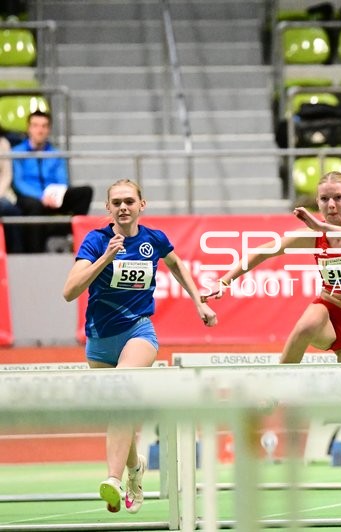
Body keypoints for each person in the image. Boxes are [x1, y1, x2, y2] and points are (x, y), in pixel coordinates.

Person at [210, 171, 341, 519]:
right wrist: (226, 279)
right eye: (324, 200)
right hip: (330, 313)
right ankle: (275, 389)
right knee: (307, 322)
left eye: (337, 198)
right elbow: (267, 250)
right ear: (317, 202)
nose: (331, 205)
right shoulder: (316, 236)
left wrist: (322, 228)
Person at [62, 179, 217, 514]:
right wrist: (105, 258)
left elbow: (176, 265)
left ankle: (113, 480)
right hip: (100, 341)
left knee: (121, 394)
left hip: (139, 332)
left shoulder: (153, 240)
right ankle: (135, 469)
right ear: (108, 209)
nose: (123, 207)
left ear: (141, 205)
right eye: (116, 202)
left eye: (129, 201)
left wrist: (198, 303)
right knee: (120, 412)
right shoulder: (96, 241)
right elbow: (69, 291)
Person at [12, 110, 93, 252]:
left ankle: (76, 238)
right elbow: (19, 183)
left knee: (85, 192)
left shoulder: (56, 154)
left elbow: (62, 180)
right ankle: (35, 252)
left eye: (44, 126)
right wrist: (41, 196)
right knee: (33, 205)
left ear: (48, 129)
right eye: (36, 125)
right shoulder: (16, 152)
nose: (40, 130)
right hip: (31, 198)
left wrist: (54, 195)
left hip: (54, 196)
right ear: (28, 128)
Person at [0, 136, 23, 253]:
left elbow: (7, 175)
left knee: (8, 208)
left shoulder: (3, 143)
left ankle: (16, 252)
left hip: (2, 193)